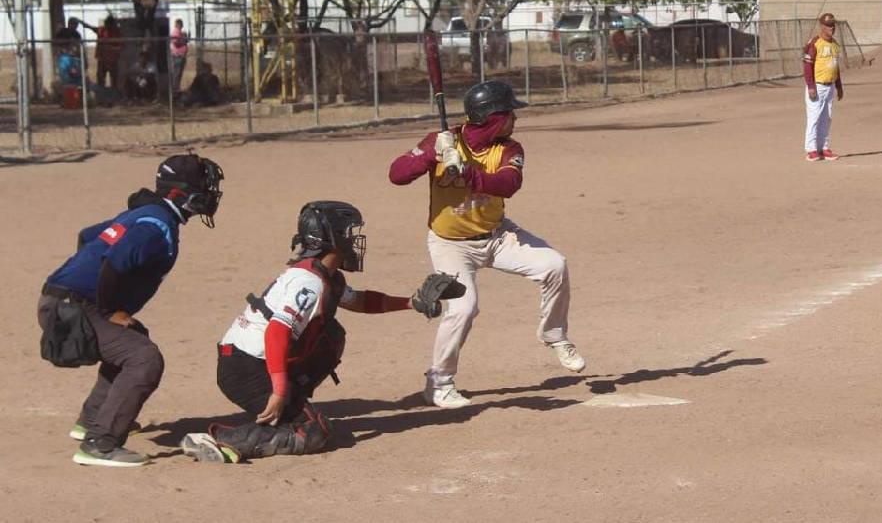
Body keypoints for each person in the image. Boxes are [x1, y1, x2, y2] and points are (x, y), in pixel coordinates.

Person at [179, 201, 463, 463]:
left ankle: (288, 407)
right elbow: (276, 332)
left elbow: (360, 301)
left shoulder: (325, 277)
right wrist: (278, 391)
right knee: (313, 432)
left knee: (332, 334)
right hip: (245, 368)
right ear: (333, 237)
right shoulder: (310, 281)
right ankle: (220, 440)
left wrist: (410, 302)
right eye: (349, 234)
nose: (354, 241)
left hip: (248, 360)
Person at [389, 80, 584, 409]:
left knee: (554, 265)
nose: (515, 120)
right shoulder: (443, 140)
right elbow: (396, 174)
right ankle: (438, 384)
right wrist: (430, 156)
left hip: (496, 235)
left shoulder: (510, 148)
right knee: (464, 308)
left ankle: (553, 334)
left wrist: (467, 173)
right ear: (493, 117)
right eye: (510, 113)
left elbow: (509, 184)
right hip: (451, 244)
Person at [37, 153, 224, 467]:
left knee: (133, 339)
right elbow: (113, 262)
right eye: (203, 188)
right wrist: (109, 309)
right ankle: (101, 445)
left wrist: (83, 279)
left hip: (62, 299)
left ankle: (92, 420)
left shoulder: (147, 214)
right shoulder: (156, 225)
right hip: (71, 308)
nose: (209, 195)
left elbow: (88, 236)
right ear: (180, 194)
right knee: (144, 359)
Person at [802, 12, 845, 162]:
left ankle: (823, 147)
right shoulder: (815, 43)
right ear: (821, 26)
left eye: (833, 25)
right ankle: (811, 149)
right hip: (818, 86)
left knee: (826, 118)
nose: (831, 28)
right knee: (814, 118)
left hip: (830, 85)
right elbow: (807, 66)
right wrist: (811, 86)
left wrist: (839, 86)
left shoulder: (835, 45)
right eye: (828, 25)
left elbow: (835, 67)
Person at [94, 15, 123, 89]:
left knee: (114, 79)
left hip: (112, 60)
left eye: (109, 24)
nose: (107, 26)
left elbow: (121, 47)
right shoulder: (102, 30)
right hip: (102, 59)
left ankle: (113, 94)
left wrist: (111, 48)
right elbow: (92, 28)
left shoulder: (117, 32)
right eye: (106, 24)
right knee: (100, 78)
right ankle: (101, 94)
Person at [169, 19, 189, 95]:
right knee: (176, 74)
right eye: (180, 24)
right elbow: (175, 42)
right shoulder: (176, 31)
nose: (181, 25)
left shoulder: (180, 32)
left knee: (178, 74)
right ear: (178, 24)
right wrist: (184, 40)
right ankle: (174, 91)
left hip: (181, 57)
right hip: (177, 56)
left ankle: (176, 90)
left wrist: (184, 38)